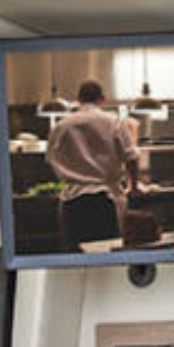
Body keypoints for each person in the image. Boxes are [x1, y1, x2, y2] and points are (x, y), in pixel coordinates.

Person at [46, 80, 139, 247]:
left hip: (72, 199)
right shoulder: (115, 122)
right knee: (107, 250)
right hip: (106, 198)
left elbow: (50, 158)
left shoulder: (61, 126)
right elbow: (131, 157)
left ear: (78, 99)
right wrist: (134, 186)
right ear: (102, 99)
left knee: (76, 252)